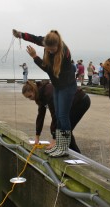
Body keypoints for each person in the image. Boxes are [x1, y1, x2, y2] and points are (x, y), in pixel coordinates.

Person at [12, 29, 77, 157]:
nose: (50, 51)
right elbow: (35, 38)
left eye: (52, 49)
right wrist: (21, 35)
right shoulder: (48, 42)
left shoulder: (64, 53)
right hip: (58, 86)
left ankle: (64, 148)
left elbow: (48, 70)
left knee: (63, 116)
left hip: (67, 87)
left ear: (58, 45)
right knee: (58, 115)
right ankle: (59, 145)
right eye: (48, 49)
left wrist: (35, 57)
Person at [22, 80, 90, 153]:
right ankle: (71, 152)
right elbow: (40, 116)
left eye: (30, 96)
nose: (30, 99)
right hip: (70, 103)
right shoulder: (40, 95)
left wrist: (54, 139)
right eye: (28, 98)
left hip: (80, 101)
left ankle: (76, 154)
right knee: (64, 130)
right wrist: (37, 136)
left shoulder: (48, 92)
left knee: (64, 130)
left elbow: (55, 116)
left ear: (33, 90)